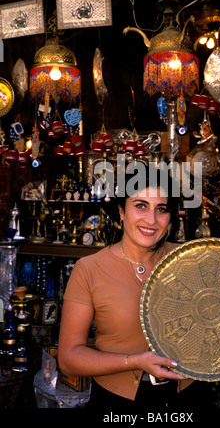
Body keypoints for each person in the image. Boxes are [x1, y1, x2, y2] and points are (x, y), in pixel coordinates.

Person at [58, 164, 196, 412]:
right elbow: (68, 359)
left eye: (161, 209)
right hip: (118, 404)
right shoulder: (89, 269)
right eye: (140, 206)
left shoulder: (188, 260)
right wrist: (136, 362)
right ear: (121, 211)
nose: (151, 220)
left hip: (188, 396)